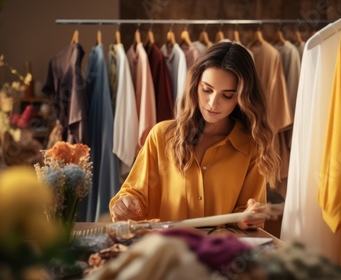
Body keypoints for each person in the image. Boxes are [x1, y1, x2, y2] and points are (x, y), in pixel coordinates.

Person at [109, 41, 281, 230]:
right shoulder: (162, 136)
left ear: (242, 97)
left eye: (227, 95)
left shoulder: (251, 147)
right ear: (195, 85)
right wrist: (124, 204)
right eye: (207, 90)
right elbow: (135, 195)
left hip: (218, 255)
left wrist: (248, 218)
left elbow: (245, 213)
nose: (213, 103)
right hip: (164, 253)